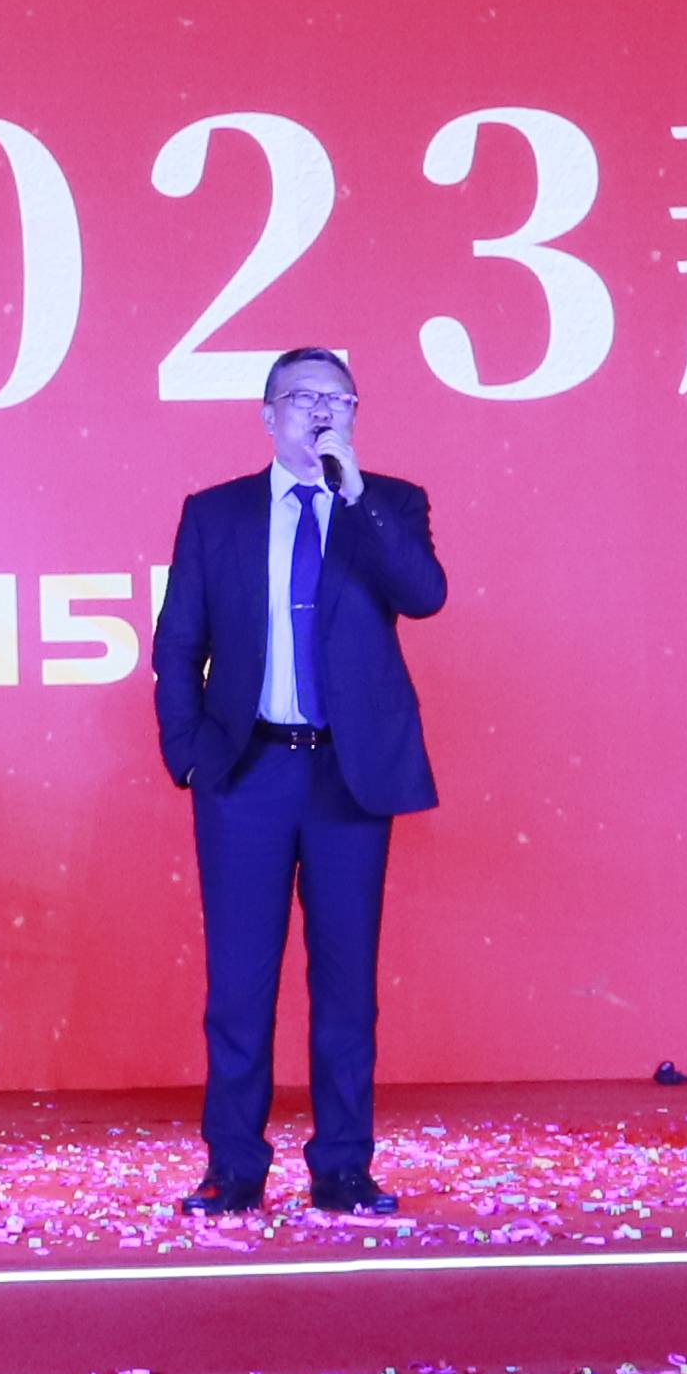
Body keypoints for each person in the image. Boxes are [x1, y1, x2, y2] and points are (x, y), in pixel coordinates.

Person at [148, 344, 447, 1217]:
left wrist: (355, 495)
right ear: (268, 414)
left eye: (339, 399)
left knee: (347, 985)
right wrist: (189, 753)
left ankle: (343, 1165)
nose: (322, 411)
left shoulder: (389, 502)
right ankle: (234, 1165)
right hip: (248, 771)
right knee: (239, 986)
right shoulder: (217, 514)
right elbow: (178, 643)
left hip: (349, 776)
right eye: (304, 397)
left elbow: (425, 595)